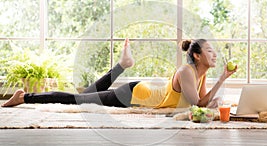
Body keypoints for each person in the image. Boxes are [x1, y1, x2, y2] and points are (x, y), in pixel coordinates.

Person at [1, 38, 237, 108]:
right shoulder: (186, 71)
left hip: (141, 89)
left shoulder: (200, 74)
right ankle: (24, 97)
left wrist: (217, 93)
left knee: (88, 94)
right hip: (131, 94)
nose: (214, 55)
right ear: (196, 55)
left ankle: (123, 64)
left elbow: (203, 102)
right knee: (76, 100)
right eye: (210, 51)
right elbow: (198, 104)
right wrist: (223, 80)